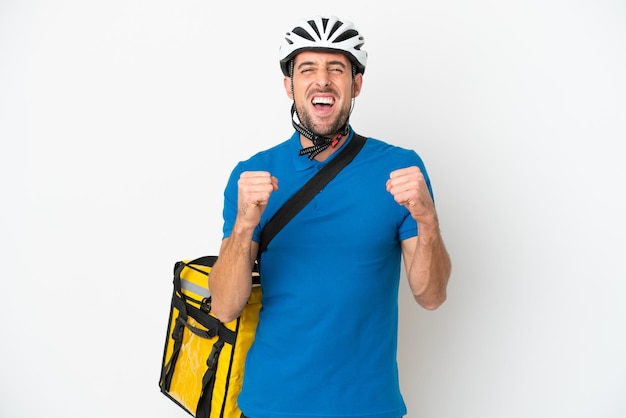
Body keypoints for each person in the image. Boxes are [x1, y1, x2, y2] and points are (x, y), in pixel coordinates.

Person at [209, 15, 451, 418]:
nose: (322, 80)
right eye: (308, 69)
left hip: (368, 406)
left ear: (355, 84)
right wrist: (244, 226)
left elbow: (432, 296)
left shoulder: (400, 169)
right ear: (290, 86)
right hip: (271, 404)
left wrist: (428, 221)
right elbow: (225, 306)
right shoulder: (251, 174)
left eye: (336, 68)